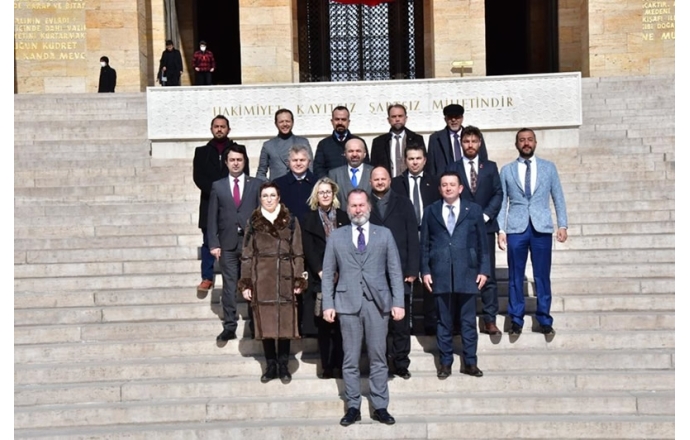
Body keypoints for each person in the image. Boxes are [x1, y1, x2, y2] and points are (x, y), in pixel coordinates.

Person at [321, 189, 405, 427]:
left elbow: (395, 272)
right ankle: (353, 406)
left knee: (378, 357)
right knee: (350, 358)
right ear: (347, 209)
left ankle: (380, 406)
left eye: (361, 205)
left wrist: (398, 302)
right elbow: (328, 274)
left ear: (369, 207)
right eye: (353, 206)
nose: (358, 209)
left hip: (378, 305)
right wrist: (328, 304)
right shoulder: (337, 236)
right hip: (347, 304)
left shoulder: (385, 235)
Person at [497, 128, 568, 336]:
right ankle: (516, 318)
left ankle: (544, 318)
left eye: (529, 140)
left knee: (542, 275)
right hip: (516, 228)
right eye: (522, 140)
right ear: (516, 144)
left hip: (541, 228)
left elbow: (558, 197)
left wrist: (562, 225)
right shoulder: (507, 170)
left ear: (535, 143)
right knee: (515, 275)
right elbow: (502, 203)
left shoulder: (548, 168)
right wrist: (501, 229)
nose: (526, 143)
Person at [420, 171, 490, 379]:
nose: (448, 188)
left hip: (467, 272)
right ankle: (445, 362)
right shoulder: (431, 211)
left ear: (460, 188)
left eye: (452, 184)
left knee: (468, 321)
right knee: (444, 321)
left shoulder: (474, 210)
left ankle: (470, 362)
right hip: (440, 272)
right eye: (444, 185)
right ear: (440, 188)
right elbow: (424, 243)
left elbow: (482, 243)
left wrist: (484, 269)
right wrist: (425, 270)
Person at [239, 182, 307, 384]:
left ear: (279, 198)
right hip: (262, 278)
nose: (268, 199)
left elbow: (298, 252)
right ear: (260, 199)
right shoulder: (253, 221)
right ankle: (270, 366)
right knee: (266, 323)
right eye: (265, 196)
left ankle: (284, 365)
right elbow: (247, 254)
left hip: (285, 277)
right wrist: (246, 283)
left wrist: (298, 279)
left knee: (284, 324)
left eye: (272, 195)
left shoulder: (291, 220)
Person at [447, 126, 503, 335]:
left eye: (474, 141)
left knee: (487, 273)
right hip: (460, 229)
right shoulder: (452, 167)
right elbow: (449, 193)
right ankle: (459, 321)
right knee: (460, 273)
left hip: (486, 228)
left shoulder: (489, 167)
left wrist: (486, 215)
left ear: (480, 143)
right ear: (461, 143)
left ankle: (489, 319)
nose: (470, 145)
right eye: (466, 141)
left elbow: (498, 193)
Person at [207, 144, 262, 342]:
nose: (236, 163)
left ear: (245, 162)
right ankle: (229, 325)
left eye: (239, 160)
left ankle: (256, 325)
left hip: (251, 243)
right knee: (229, 286)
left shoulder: (255, 184)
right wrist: (213, 243)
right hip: (227, 244)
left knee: (253, 284)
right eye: (232, 160)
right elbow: (212, 216)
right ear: (226, 162)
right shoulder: (218, 186)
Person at [368, 167, 419, 379]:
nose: (380, 182)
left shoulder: (404, 203)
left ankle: (401, 363)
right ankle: (379, 363)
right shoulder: (364, 203)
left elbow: (412, 238)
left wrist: (412, 268)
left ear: (390, 179)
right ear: (370, 181)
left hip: (399, 271)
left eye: (383, 178)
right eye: (376, 179)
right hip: (373, 273)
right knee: (377, 323)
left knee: (399, 323)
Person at [193, 116, 250, 293]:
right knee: (208, 240)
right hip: (209, 202)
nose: (219, 129)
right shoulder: (201, 152)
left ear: (228, 129)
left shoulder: (237, 151)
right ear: (211, 129)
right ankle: (207, 277)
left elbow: (244, 174)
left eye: (222, 126)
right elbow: (199, 177)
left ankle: (242, 278)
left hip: (233, 204)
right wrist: (218, 192)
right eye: (216, 126)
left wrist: (226, 194)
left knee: (238, 243)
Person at [301, 178, 350, 378]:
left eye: (328, 192)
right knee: (324, 325)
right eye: (321, 192)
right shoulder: (309, 219)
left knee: (341, 325)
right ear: (316, 195)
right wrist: (320, 270)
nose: (325, 195)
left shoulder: (344, 217)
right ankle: (327, 365)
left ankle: (340, 364)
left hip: (343, 276)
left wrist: (341, 270)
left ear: (334, 194)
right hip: (319, 277)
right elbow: (308, 248)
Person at [391, 143, 441, 335]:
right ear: (405, 161)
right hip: (405, 238)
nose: (414, 162)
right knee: (408, 280)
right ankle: (408, 323)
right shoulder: (396, 183)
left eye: (418, 158)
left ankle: (431, 322)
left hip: (428, 236)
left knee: (429, 280)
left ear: (425, 160)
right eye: (411, 158)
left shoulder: (435, 182)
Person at [426, 104, 488, 177]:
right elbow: (431, 168)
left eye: (456, 116)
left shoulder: (475, 136)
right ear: (445, 119)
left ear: (462, 118)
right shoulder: (435, 139)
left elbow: (483, 160)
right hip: (446, 183)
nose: (453, 120)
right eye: (450, 117)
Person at [370, 104, 426, 177]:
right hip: (388, 184)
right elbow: (374, 167)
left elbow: (424, 164)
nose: (397, 119)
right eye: (393, 116)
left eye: (400, 116)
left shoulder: (417, 139)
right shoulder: (378, 142)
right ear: (388, 120)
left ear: (405, 118)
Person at [257, 109, 313, 181]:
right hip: (277, 189)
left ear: (292, 122)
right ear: (276, 124)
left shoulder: (303, 142)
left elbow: (311, 169)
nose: (285, 124)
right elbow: (261, 173)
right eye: (281, 122)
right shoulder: (268, 145)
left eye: (287, 121)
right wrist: (270, 186)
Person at [313, 106, 369, 178]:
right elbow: (318, 169)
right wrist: (330, 184)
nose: (340, 122)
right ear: (332, 121)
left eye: (343, 119)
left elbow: (366, 166)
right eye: (337, 119)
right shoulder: (323, 144)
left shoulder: (359, 142)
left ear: (348, 122)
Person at [272, 145, 316, 224]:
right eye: (295, 160)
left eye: (302, 160)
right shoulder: (278, 184)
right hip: (288, 229)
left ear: (309, 162)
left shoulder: (317, 183)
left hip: (312, 229)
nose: (298, 163)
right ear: (288, 163)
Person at [327, 138, 373, 209]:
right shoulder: (334, 174)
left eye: (358, 151)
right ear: (345, 154)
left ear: (364, 154)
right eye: (350, 151)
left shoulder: (373, 172)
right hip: (342, 218)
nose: (354, 154)